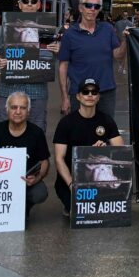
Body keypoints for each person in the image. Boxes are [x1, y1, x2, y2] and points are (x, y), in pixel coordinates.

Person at [52, 79, 123, 216]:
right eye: (85, 92)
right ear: (78, 96)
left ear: (98, 97)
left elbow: (121, 151)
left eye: (94, 92)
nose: (90, 95)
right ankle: (69, 201)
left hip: (98, 179)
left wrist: (106, 148)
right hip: (73, 179)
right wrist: (72, 185)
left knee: (104, 213)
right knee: (78, 213)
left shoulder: (106, 120)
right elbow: (59, 159)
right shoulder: (66, 123)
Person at [0, 0, 60, 134]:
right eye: (26, 1)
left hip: (37, 90)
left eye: (33, 1)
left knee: (36, 130)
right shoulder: (8, 26)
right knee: (2, 129)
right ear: (20, 4)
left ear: (39, 5)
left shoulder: (47, 28)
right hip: (9, 88)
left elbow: (50, 59)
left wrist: (56, 51)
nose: (29, 4)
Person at [0, 92, 50, 221]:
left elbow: (44, 161)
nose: (18, 111)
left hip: (25, 183)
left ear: (28, 111)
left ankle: (25, 207)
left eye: (23, 108)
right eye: (14, 107)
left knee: (40, 193)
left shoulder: (37, 133)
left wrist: (37, 178)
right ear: (7, 110)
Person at [58, 0, 128, 118]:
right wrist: (64, 97)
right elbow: (63, 66)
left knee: (105, 132)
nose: (92, 9)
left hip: (105, 91)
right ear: (80, 8)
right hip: (79, 92)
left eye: (96, 6)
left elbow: (117, 55)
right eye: (88, 5)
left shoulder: (107, 29)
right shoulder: (70, 34)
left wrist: (124, 41)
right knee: (79, 133)